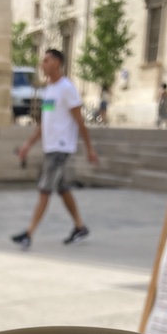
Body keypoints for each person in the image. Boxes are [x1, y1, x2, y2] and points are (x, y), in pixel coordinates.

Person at [11, 49, 99, 250]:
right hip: (50, 147)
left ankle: (28, 233)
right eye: (42, 61)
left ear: (57, 63)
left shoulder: (67, 88)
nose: (42, 64)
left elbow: (80, 121)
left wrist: (90, 149)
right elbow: (45, 123)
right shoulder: (49, 89)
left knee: (44, 188)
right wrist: (28, 144)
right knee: (62, 187)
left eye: (46, 60)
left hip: (61, 147)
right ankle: (80, 226)